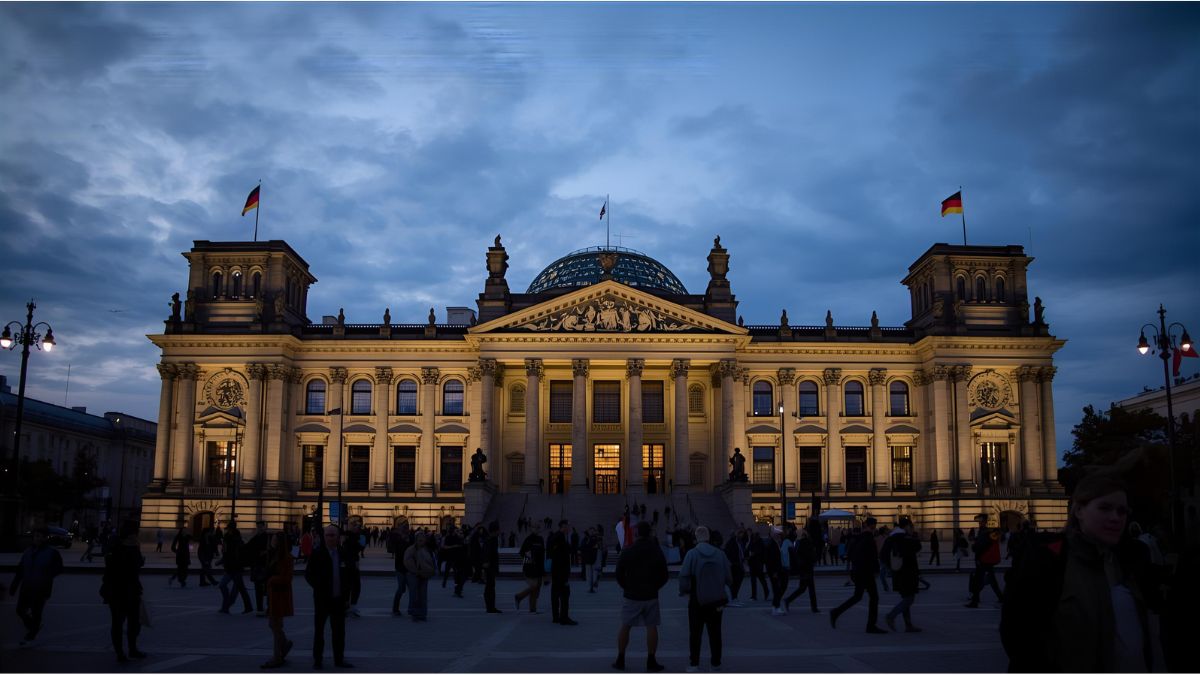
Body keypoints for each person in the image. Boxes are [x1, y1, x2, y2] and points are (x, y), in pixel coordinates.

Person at [1001, 467, 1161, 672]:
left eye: (1122, 511)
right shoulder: (1047, 561)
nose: (1115, 517)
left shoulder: (1135, 560)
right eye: (1104, 508)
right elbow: (1018, 637)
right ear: (1079, 511)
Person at [614, 521, 669, 672]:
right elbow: (665, 574)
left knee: (626, 625)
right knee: (651, 626)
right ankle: (651, 660)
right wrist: (655, 586)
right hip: (650, 594)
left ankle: (620, 659)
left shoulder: (629, 550)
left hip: (632, 595)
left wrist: (627, 586)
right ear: (650, 533)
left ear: (637, 533)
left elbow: (618, 573)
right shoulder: (656, 550)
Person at [678, 525, 731, 673]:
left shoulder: (692, 554)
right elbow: (729, 577)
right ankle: (715, 663)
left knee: (695, 632)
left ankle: (694, 663)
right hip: (717, 599)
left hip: (697, 599)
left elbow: (683, 576)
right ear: (708, 538)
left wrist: (684, 590)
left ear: (696, 538)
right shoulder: (720, 554)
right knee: (715, 632)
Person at [305, 525, 352, 668]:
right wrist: (319, 587)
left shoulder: (344, 553)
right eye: (328, 535)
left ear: (338, 537)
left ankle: (339, 659)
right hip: (322, 600)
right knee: (319, 631)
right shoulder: (317, 553)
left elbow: (350, 576)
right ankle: (317, 659)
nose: (330, 538)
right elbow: (308, 575)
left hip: (338, 600)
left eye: (333, 535)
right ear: (323, 537)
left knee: (339, 632)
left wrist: (348, 597)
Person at [829, 517, 886, 634]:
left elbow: (851, 553)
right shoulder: (869, 538)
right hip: (866, 572)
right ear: (872, 526)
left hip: (858, 571)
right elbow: (873, 556)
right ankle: (871, 625)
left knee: (857, 596)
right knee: (874, 597)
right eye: (874, 525)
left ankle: (836, 612)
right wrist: (876, 570)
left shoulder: (858, 537)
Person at [11, 526, 65, 646]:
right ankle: (33, 627)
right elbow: (21, 568)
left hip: (42, 587)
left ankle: (31, 633)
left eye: (41, 536)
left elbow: (59, 568)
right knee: (20, 610)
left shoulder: (52, 552)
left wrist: (48, 575)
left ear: (46, 538)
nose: (38, 539)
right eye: (36, 536)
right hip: (27, 585)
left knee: (36, 612)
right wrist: (14, 585)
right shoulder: (28, 551)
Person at [100, 521, 146, 662]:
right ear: (130, 536)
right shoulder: (118, 549)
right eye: (135, 535)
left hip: (129, 590)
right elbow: (131, 566)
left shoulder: (131, 548)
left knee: (132, 623)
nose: (137, 538)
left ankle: (131, 649)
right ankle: (121, 652)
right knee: (119, 623)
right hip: (119, 591)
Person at [882, 517, 923, 632]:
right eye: (911, 526)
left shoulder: (891, 538)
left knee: (906, 597)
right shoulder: (906, 538)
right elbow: (918, 547)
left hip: (897, 573)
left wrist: (892, 568)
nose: (912, 529)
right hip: (908, 573)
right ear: (907, 526)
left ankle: (908, 625)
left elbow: (883, 555)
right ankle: (891, 616)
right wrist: (914, 535)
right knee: (909, 598)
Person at [262, 532, 295, 669]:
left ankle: (277, 657)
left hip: (280, 596)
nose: (272, 541)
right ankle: (285, 644)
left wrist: (271, 580)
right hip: (273, 595)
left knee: (275, 626)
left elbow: (287, 578)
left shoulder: (286, 558)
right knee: (274, 625)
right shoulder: (272, 555)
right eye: (272, 539)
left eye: (275, 539)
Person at [966, 514, 1004, 608]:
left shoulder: (983, 532)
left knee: (978, 580)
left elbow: (981, 546)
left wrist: (974, 547)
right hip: (987, 560)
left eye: (979, 521)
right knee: (992, 579)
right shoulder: (987, 531)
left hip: (982, 560)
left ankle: (975, 601)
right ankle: (1001, 597)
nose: (978, 523)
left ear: (983, 521)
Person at [218, 522, 253, 614]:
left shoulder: (237, 540)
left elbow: (238, 553)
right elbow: (225, 552)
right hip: (230, 567)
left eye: (228, 529)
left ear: (232, 529)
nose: (227, 530)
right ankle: (229, 604)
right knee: (227, 586)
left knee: (238, 588)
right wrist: (222, 560)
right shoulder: (226, 538)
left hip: (236, 567)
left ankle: (226, 606)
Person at [548, 519, 577, 625]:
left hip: (555, 570)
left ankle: (556, 616)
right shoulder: (560, 538)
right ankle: (564, 617)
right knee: (565, 594)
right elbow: (563, 555)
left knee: (555, 594)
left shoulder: (554, 537)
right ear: (563, 526)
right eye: (568, 526)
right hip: (561, 571)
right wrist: (565, 574)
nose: (569, 528)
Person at [784, 526, 819, 613]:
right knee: (810, 588)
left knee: (802, 588)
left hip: (803, 569)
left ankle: (788, 600)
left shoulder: (799, 543)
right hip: (807, 568)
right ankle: (814, 608)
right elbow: (810, 555)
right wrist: (814, 560)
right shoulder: (806, 543)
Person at [403, 530, 436, 621]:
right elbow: (407, 561)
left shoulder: (426, 549)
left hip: (424, 575)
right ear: (416, 540)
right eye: (420, 539)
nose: (422, 541)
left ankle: (422, 613)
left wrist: (428, 570)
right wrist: (416, 570)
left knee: (423, 595)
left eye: (423, 539)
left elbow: (431, 561)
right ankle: (416, 613)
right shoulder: (411, 549)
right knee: (415, 595)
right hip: (414, 575)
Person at [515, 524, 546, 614]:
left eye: (538, 527)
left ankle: (533, 609)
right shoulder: (528, 539)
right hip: (530, 567)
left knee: (536, 590)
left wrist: (543, 571)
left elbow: (542, 554)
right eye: (535, 527)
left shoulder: (541, 539)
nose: (536, 529)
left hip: (539, 567)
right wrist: (527, 556)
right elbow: (522, 553)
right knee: (534, 586)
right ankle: (519, 596)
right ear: (531, 529)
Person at [245, 521, 270, 616]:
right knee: (258, 587)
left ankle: (265, 607)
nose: (259, 528)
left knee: (264, 588)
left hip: (263, 565)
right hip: (257, 565)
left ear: (265, 527)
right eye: (258, 527)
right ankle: (260, 607)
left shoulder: (267, 537)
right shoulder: (256, 538)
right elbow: (247, 547)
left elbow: (269, 550)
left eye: (261, 526)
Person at [390, 523, 411, 616]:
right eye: (404, 529)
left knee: (411, 589)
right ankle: (395, 609)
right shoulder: (397, 539)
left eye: (407, 529)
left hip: (409, 568)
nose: (406, 531)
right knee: (401, 589)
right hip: (400, 568)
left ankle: (411, 609)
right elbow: (397, 551)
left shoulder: (410, 539)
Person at [723, 528, 746, 606]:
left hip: (739, 563)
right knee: (735, 581)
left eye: (742, 534)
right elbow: (728, 552)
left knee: (739, 579)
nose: (741, 535)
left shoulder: (740, 542)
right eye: (740, 533)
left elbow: (741, 551)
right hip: (734, 564)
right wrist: (731, 562)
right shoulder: (731, 542)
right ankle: (733, 597)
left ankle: (734, 596)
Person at [483, 521, 502, 613]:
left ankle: (490, 606)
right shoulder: (492, 539)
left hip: (490, 565)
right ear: (495, 530)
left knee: (490, 586)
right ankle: (490, 607)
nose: (499, 531)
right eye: (498, 529)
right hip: (490, 566)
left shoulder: (490, 539)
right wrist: (487, 562)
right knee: (490, 586)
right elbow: (489, 552)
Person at [746, 527, 769, 601]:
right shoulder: (754, 542)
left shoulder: (758, 542)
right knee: (757, 580)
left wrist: (752, 554)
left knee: (759, 580)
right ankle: (755, 595)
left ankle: (758, 594)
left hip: (757, 564)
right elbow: (748, 550)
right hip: (755, 564)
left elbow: (757, 552)